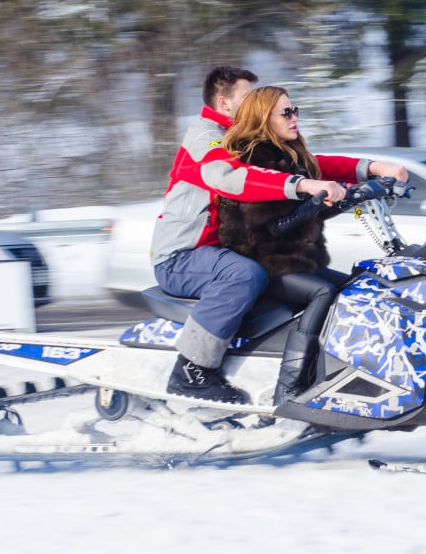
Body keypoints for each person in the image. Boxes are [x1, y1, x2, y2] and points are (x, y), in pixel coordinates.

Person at [151, 66, 362, 404]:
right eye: (248, 97)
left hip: (224, 250)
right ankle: (191, 371)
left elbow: (308, 163)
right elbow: (232, 176)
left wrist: (365, 172)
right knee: (245, 273)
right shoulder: (206, 139)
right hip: (184, 255)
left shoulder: (242, 137)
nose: (257, 104)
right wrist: (302, 187)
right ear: (223, 102)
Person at [218, 86, 408, 404]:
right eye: (286, 113)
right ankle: (290, 388)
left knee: (359, 288)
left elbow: (319, 192)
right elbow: (275, 226)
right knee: (322, 293)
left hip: (298, 258)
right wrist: (323, 200)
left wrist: (362, 189)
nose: (294, 118)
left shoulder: (292, 154)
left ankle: (345, 377)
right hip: (264, 259)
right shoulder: (253, 160)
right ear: (264, 118)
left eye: (295, 111)